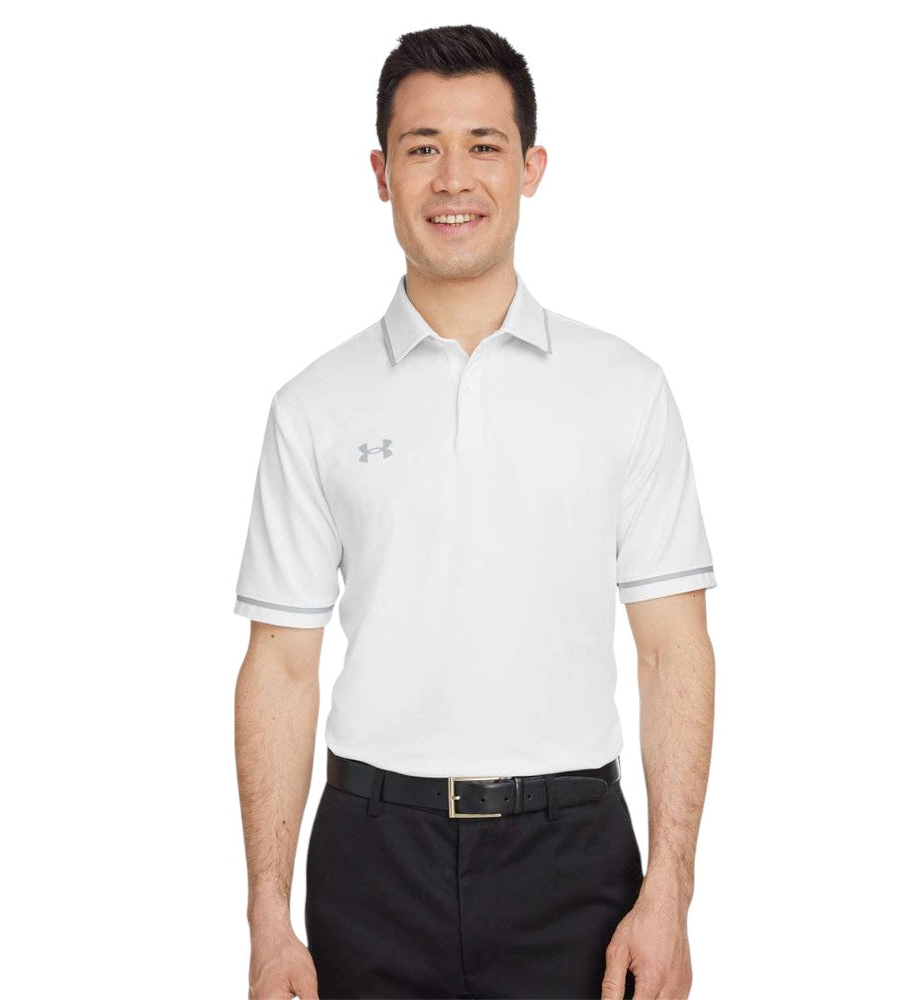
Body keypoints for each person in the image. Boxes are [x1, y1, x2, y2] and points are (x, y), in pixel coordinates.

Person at [233, 23, 717, 1000]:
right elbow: (280, 665)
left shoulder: (626, 390)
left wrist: (670, 891)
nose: (453, 179)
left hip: (574, 858)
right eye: (423, 147)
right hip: (371, 857)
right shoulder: (313, 406)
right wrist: (267, 920)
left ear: (531, 167)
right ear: (381, 174)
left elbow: (674, 651)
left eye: (483, 145)